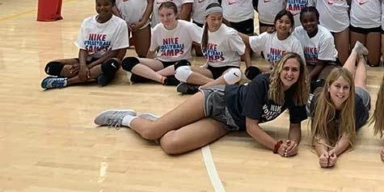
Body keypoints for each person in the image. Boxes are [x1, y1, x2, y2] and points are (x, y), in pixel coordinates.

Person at [93, 53, 309, 156]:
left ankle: (159, 122)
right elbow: (253, 127)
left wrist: (293, 144)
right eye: (286, 68)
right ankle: (126, 118)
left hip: (229, 122)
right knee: (150, 133)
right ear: (279, 69)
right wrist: (278, 147)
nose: (290, 73)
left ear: (300, 74)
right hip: (215, 100)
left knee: (170, 145)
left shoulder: (297, 92)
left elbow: (295, 127)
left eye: (295, 70)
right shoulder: (262, 83)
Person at [41, 0, 127, 89]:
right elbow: (83, 48)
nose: (102, 8)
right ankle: (96, 76)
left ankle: (68, 82)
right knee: (51, 66)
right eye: (99, 5)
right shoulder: (87, 22)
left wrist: (88, 67)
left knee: (112, 65)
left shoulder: (120, 24)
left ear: (113, 5)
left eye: (106, 5)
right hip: (88, 60)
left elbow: (114, 53)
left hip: (105, 60)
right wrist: (82, 65)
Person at [309, 45, 370, 168]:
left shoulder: (356, 102)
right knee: (342, 76)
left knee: (359, 82)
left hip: (358, 97)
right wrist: (323, 154)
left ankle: (362, 58)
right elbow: (319, 134)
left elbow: (347, 135)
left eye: (346, 88)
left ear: (350, 89)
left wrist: (334, 153)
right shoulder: (317, 101)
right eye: (337, 86)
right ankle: (354, 51)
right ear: (328, 87)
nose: (341, 91)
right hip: (343, 94)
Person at [175, 3, 250, 95]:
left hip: (228, 69)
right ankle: (216, 86)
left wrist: (249, 70)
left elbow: (244, 50)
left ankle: (200, 88)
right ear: (206, 18)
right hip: (211, 70)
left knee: (236, 74)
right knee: (179, 71)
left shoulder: (229, 34)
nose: (217, 22)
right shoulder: (203, 30)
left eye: (220, 18)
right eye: (213, 19)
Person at [121, 1, 198, 85]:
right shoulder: (157, 29)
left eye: (169, 15)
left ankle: (151, 76)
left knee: (183, 65)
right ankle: (162, 79)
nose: (165, 19)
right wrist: (146, 66)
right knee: (127, 61)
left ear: (176, 14)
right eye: (162, 15)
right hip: (161, 62)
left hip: (180, 63)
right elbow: (151, 51)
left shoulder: (187, 27)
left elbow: (205, 41)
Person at [294, 6, 338, 83]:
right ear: (301, 23)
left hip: (327, 63)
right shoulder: (297, 32)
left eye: (312, 20)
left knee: (320, 84)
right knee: (300, 83)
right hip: (309, 64)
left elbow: (320, 64)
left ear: (317, 20)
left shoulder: (326, 36)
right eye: (305, 21)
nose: (308, 24)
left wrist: (308, 78)